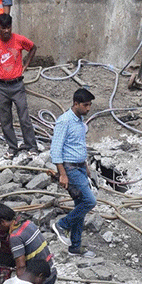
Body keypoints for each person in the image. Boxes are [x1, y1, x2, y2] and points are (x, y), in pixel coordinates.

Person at [0, 13, 38, 154]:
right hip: (1, 87)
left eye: (8, 27)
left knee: (24, 118)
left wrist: (26, 64)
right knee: (5, 120)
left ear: (11, 26)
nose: (6, 31)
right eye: (3, 28)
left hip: (17, 86)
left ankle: (32, 146)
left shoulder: (19, 40)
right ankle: (12, 147)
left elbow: (33, 48)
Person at [50, 88, 97, 257]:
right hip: (70, 168)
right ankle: (62, 225)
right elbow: (56, 150)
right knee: (90, 202)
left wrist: (85, 166)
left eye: (90, 105)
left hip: (79, 167)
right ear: (75, 103)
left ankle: (75, 247)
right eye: (85, 105)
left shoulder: (79, 121)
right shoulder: (64, 121)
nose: (88, 108)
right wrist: (62, 174)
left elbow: (78, 145)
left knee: (80, 206)